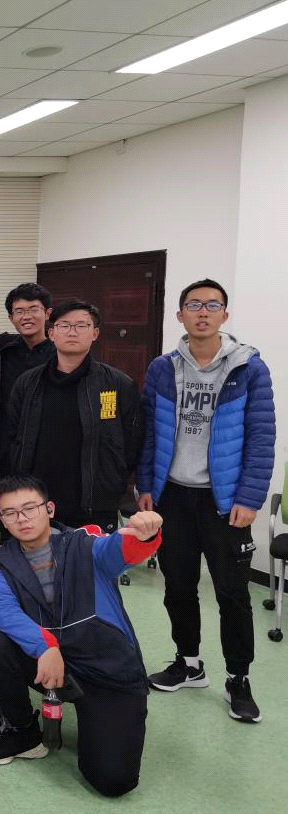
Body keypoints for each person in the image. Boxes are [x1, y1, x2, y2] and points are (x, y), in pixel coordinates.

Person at [137, 278, 276, 723]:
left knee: (232, 593)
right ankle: (189, 663)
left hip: (225, 501)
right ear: (179, 314)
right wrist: (145, 485)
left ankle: (239, 678)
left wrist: (250, 497)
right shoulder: (163, 368)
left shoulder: (248, 368)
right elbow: (149, 433)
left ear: (224, 315)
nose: (203, 312)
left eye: (212, 305)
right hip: (173, 497)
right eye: (194, 304)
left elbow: (261, 438)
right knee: (178, 586)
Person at [0, 476, 161, 797]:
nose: (21, 519)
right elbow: (1, 610)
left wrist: (147, 534)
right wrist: (45, 647)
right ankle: (24, 732)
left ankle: (97, 719)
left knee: (112, 781)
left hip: (106, 670)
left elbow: (119, 550)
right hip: (52, 664)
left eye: (29, 508)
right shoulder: (3, 561)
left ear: (49, 509)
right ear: (2, 519)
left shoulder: (84, 544)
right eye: (10, 513)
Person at [2, 300, 142, 532]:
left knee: (91, 556)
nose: (72, 332)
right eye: (64, 325)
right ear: (51, 333)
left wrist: (111, 480)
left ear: (95, 333)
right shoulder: (28, 383)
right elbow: (12, 435)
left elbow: (131, 443)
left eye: (81, 325)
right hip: (35, 502)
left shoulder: (117, 384)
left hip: (94, 504)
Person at [0, 283, 54, 475]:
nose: (26, 316)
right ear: (11, 318)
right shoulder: (2, 347)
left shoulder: (59, 353)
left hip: (46, 445)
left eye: (34, 309)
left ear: (47, 313)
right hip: (6, 447)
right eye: (19, 311)